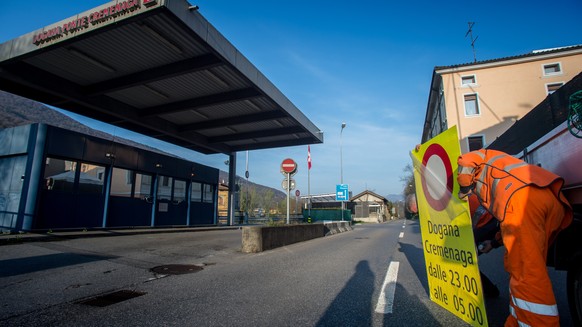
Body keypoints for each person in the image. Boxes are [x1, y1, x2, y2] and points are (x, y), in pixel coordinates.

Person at [457, 148, 572, 327]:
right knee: (527, 266)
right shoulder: (498, 163)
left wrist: (464, 188)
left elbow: (466, 161)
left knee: (526, 274)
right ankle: (518, 320)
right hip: (548, 199)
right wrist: (494, 242)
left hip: (523, 202)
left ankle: (537, 323)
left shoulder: (476, 157)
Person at [468, 194, 501, 298]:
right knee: (465, 256)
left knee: (464, 256)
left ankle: (489, 290)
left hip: (487, 221)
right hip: (491, 217)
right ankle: (490, 290)